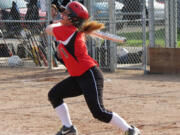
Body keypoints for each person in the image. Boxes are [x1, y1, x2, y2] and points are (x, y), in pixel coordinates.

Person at [45, 1, 141, 135]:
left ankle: (130, 130)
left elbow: (48, 29)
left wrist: (63, 19)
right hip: (77, 77)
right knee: (54, 95)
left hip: (89, 75)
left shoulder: (67, 31)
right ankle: (68, 128)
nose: (62, 15)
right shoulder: (72, 30)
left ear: (73, 19)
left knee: (98, 112)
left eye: (67, 14)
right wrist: (65, 14)